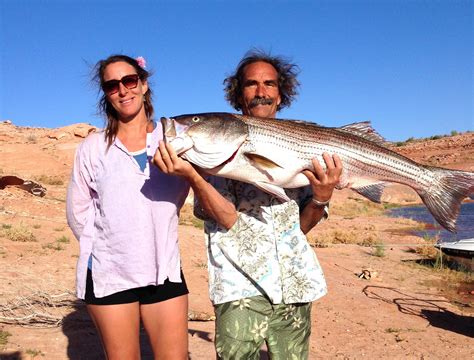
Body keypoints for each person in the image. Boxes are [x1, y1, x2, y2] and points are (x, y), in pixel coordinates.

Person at [153, 49, 342, 359]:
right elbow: (227, 219)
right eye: (251, 84)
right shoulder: (207, 160)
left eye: (269, 84)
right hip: (238, 286)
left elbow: (301, 229)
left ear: (281, 94)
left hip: (294, 284)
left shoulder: (306, 142)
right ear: (238, 95)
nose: (261, 92)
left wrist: (321, 196)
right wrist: (191, 174)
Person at [66, 54, 189, 360]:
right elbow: (77, 212)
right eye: (112, 85)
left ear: (144, 84)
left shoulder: (177, 140)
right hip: (110, 273)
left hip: (163, 270)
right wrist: (109, 248)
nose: (123, 90)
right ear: (106, 94)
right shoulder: (93, 148)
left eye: (130, 80)